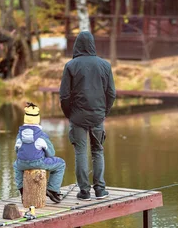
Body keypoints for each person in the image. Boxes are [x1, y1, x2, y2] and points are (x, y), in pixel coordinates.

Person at [59, 31, 116, 201]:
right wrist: (103, 112)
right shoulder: (104, 66)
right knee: (98, 150)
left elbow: (64, 96)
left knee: (80, 153)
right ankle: (100, 190)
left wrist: (69, 114)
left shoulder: (71, 66)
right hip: (98, 115)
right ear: (92, 45)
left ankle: (84, 192)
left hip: (77, 117)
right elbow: (111, 93)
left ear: (77, 45)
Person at [13, 102, 65, 203]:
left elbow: (17, 151)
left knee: (16, 166)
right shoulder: (41, 135)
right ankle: (53, 190)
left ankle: (22, 189)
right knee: (61, 164)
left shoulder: (19, 135)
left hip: (22, 163)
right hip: (39, 162)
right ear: (37, 119)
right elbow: (51, 153)